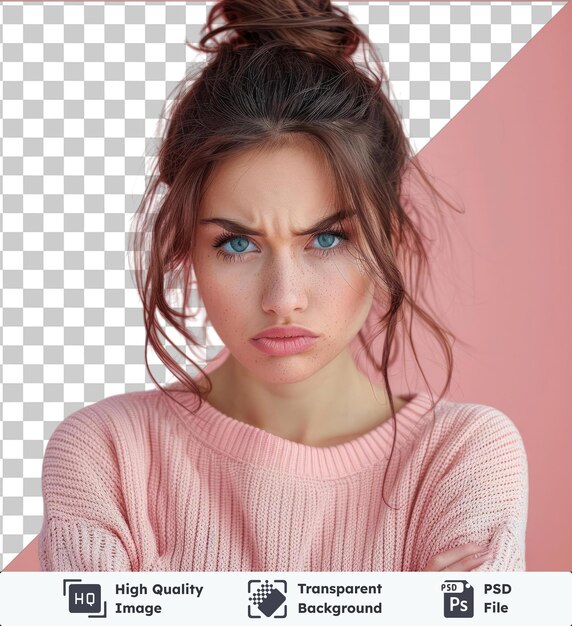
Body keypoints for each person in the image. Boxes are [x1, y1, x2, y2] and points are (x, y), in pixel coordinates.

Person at [38, 0, 528, 572]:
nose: (283, 297)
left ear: (387, 236)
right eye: (237, 244)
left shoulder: (461, 456)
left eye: (326, 239)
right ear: (186, 247)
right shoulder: (107, 456)